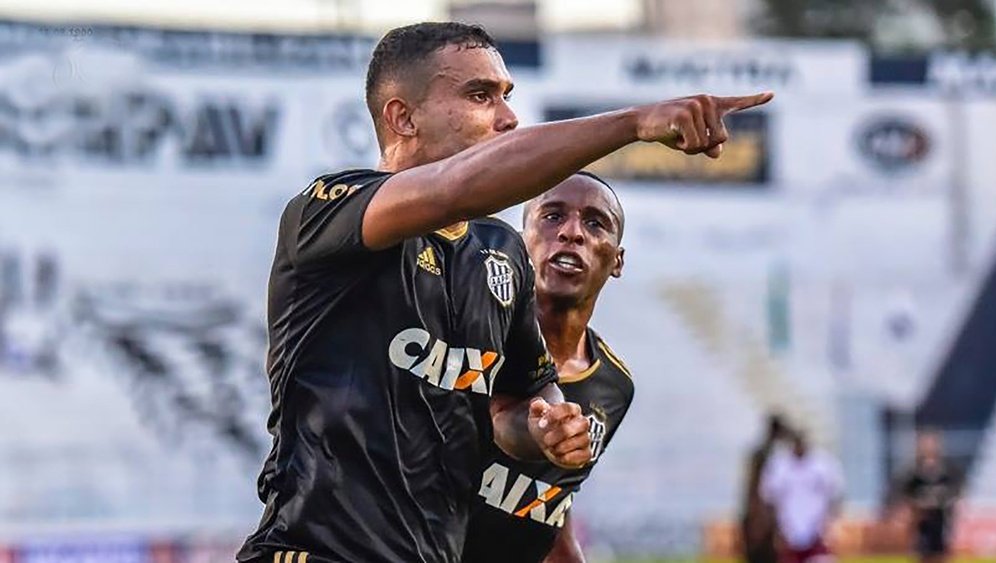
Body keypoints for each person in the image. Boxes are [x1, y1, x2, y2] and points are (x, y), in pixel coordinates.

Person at [238, 21, 773, 563]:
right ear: (402, 117)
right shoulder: (328, 211)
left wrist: (547, 426)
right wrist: (634, 123)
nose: (509, 117)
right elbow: (455, 187)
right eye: (479, 95)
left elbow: (519, 401)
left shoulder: (501, 252)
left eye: (506, 96)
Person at [461, 172, 634, 563]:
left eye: (595, 222)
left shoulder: (614, 385)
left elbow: (547, 502)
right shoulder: (469, 338)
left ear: (618, 260)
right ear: (520, 245)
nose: (572, 232)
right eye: (553, 216)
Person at [760, 430, 843, 563]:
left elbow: (835, 495)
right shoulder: (779, 465)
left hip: (817, 531)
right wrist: (775, 529)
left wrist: (831, 524)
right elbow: (769, 499)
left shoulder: (822, 464)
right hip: (789, 531)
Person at [893, 430, 959, 563]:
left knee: (941, 554)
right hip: (921, 524)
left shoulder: (947, 471)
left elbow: (955, 495)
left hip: (940, 522)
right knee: (922, 554)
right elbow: (905, 497)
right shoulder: (914, 473)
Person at [741, 414, 789, 563]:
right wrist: (759, 517)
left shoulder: (772, 454)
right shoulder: (766, 455)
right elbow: (754, 487)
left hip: (762, 514)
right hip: (761, 516)